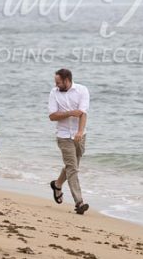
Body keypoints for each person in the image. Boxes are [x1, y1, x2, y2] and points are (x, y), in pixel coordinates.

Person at [47, 68, 90, 214]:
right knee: (72, 168)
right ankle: (79, 202)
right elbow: (52, 116)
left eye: (59, 82)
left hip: (80, 135)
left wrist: (79, 132)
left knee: (72, 165)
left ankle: (57, 184)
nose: (56, 85)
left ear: (67, 80)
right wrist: (70, 112)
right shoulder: (54, 93)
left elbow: (83, 114)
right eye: (56, 82)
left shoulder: (82, 90)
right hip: (64, 135)